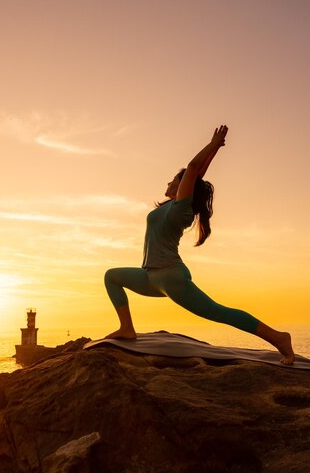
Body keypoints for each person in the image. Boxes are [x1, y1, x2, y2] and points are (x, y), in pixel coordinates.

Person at [104, 125, 295, 364]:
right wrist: (213, 152)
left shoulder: (180, 209)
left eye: (175, 179)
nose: (169, 181)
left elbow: (194, 170)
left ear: (182, 185)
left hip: (170, 277)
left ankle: (279, 338)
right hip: (150, 276)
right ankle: (126, 328)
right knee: (111, 276)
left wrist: (213, 144)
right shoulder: (170, 205)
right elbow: (197, 175)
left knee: (218, 312)